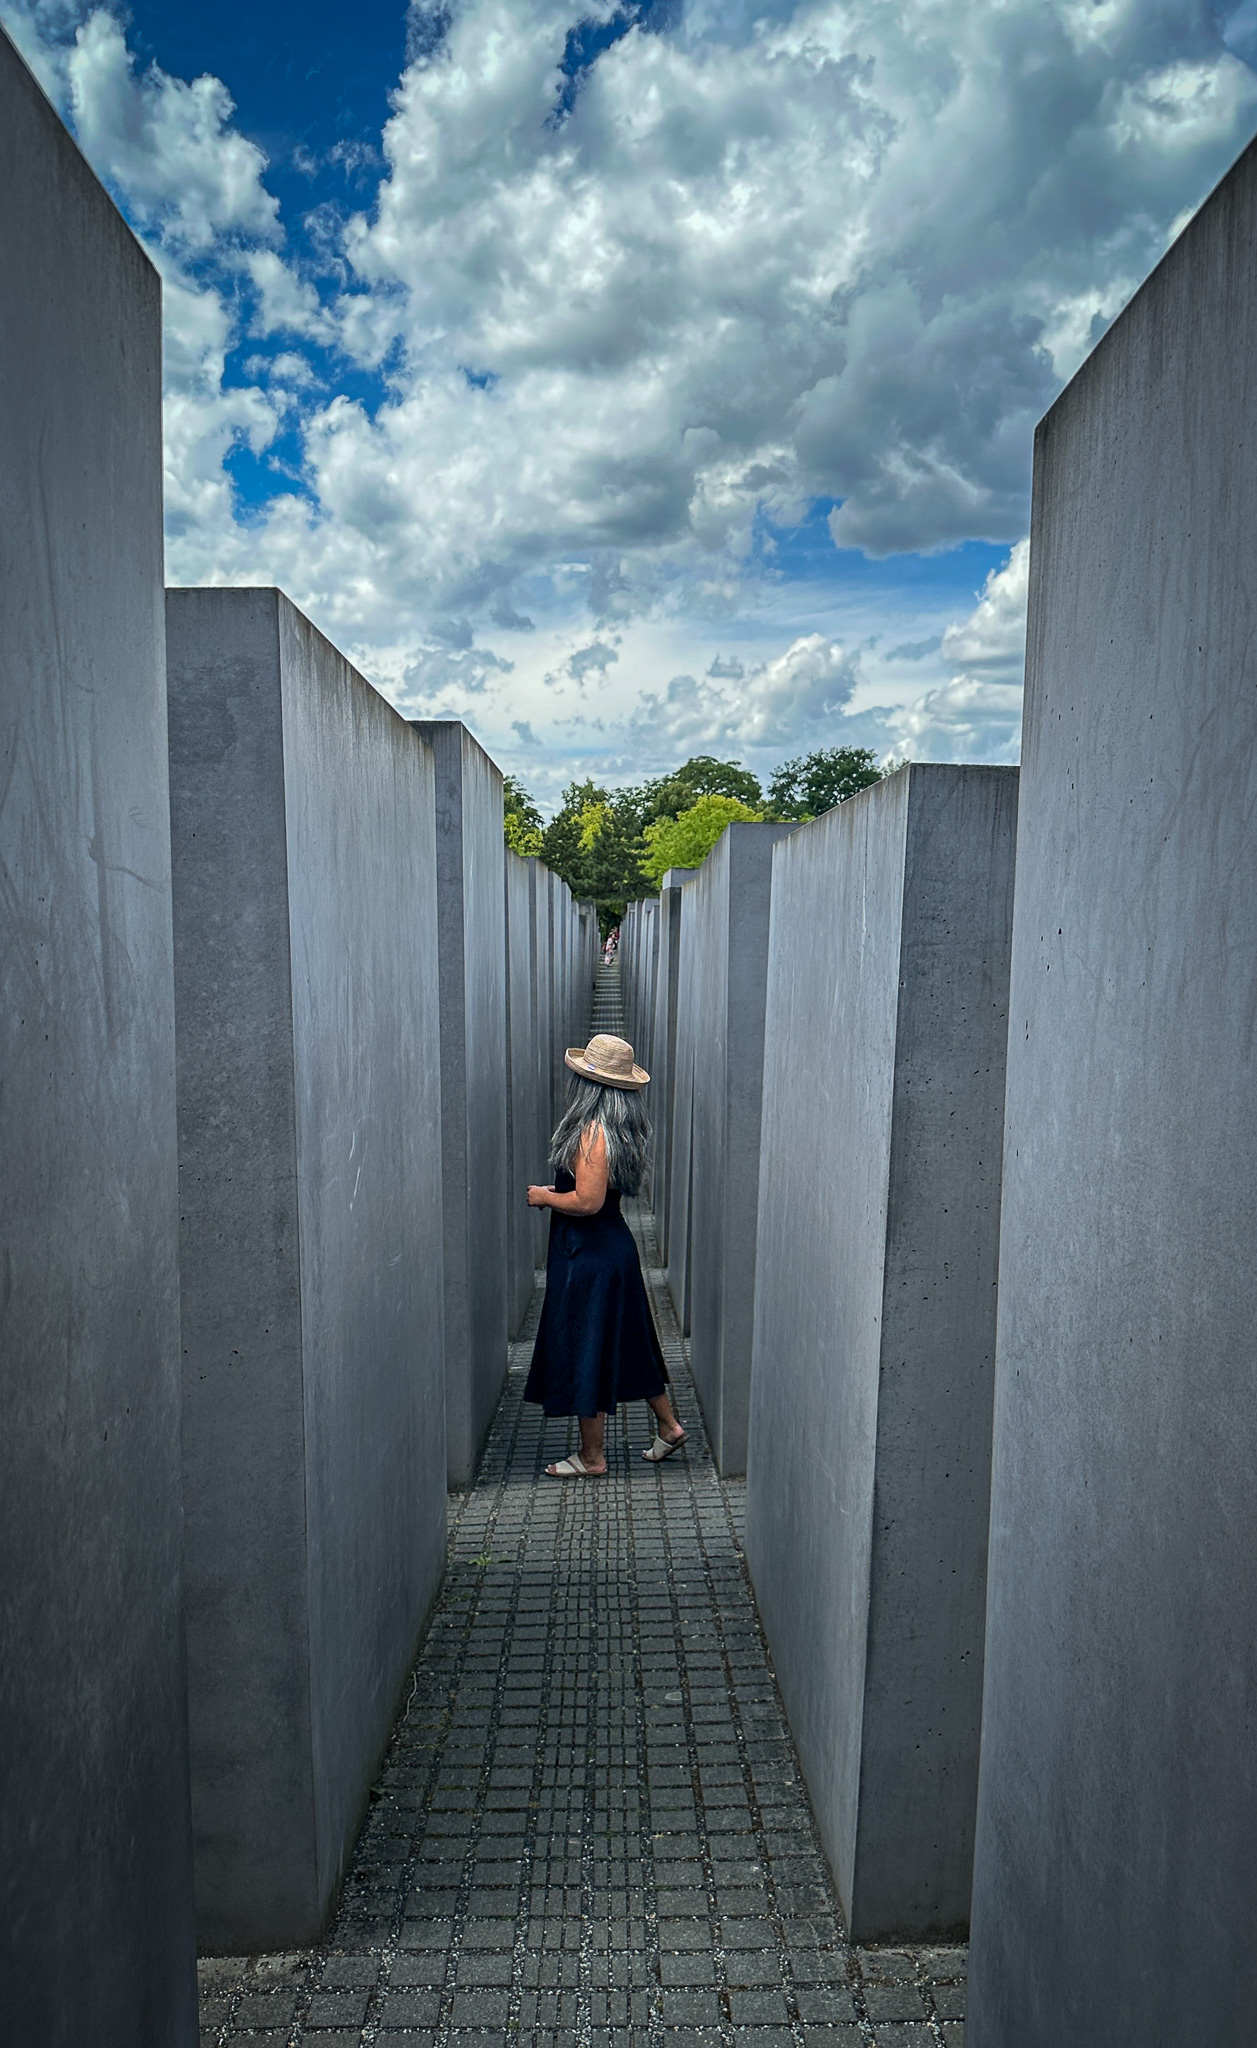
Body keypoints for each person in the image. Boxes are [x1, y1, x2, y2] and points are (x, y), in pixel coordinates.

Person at [524, 1033, 686, 1476]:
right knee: (630, 1340)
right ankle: (669, 1427)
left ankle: (592, 1457)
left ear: (589, 1086)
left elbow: (587, 1202)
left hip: (591, 1255)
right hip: (611, 1250)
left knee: (586, 1346)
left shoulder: (593, 1132)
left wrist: (543, 1196)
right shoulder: (619, 1129)